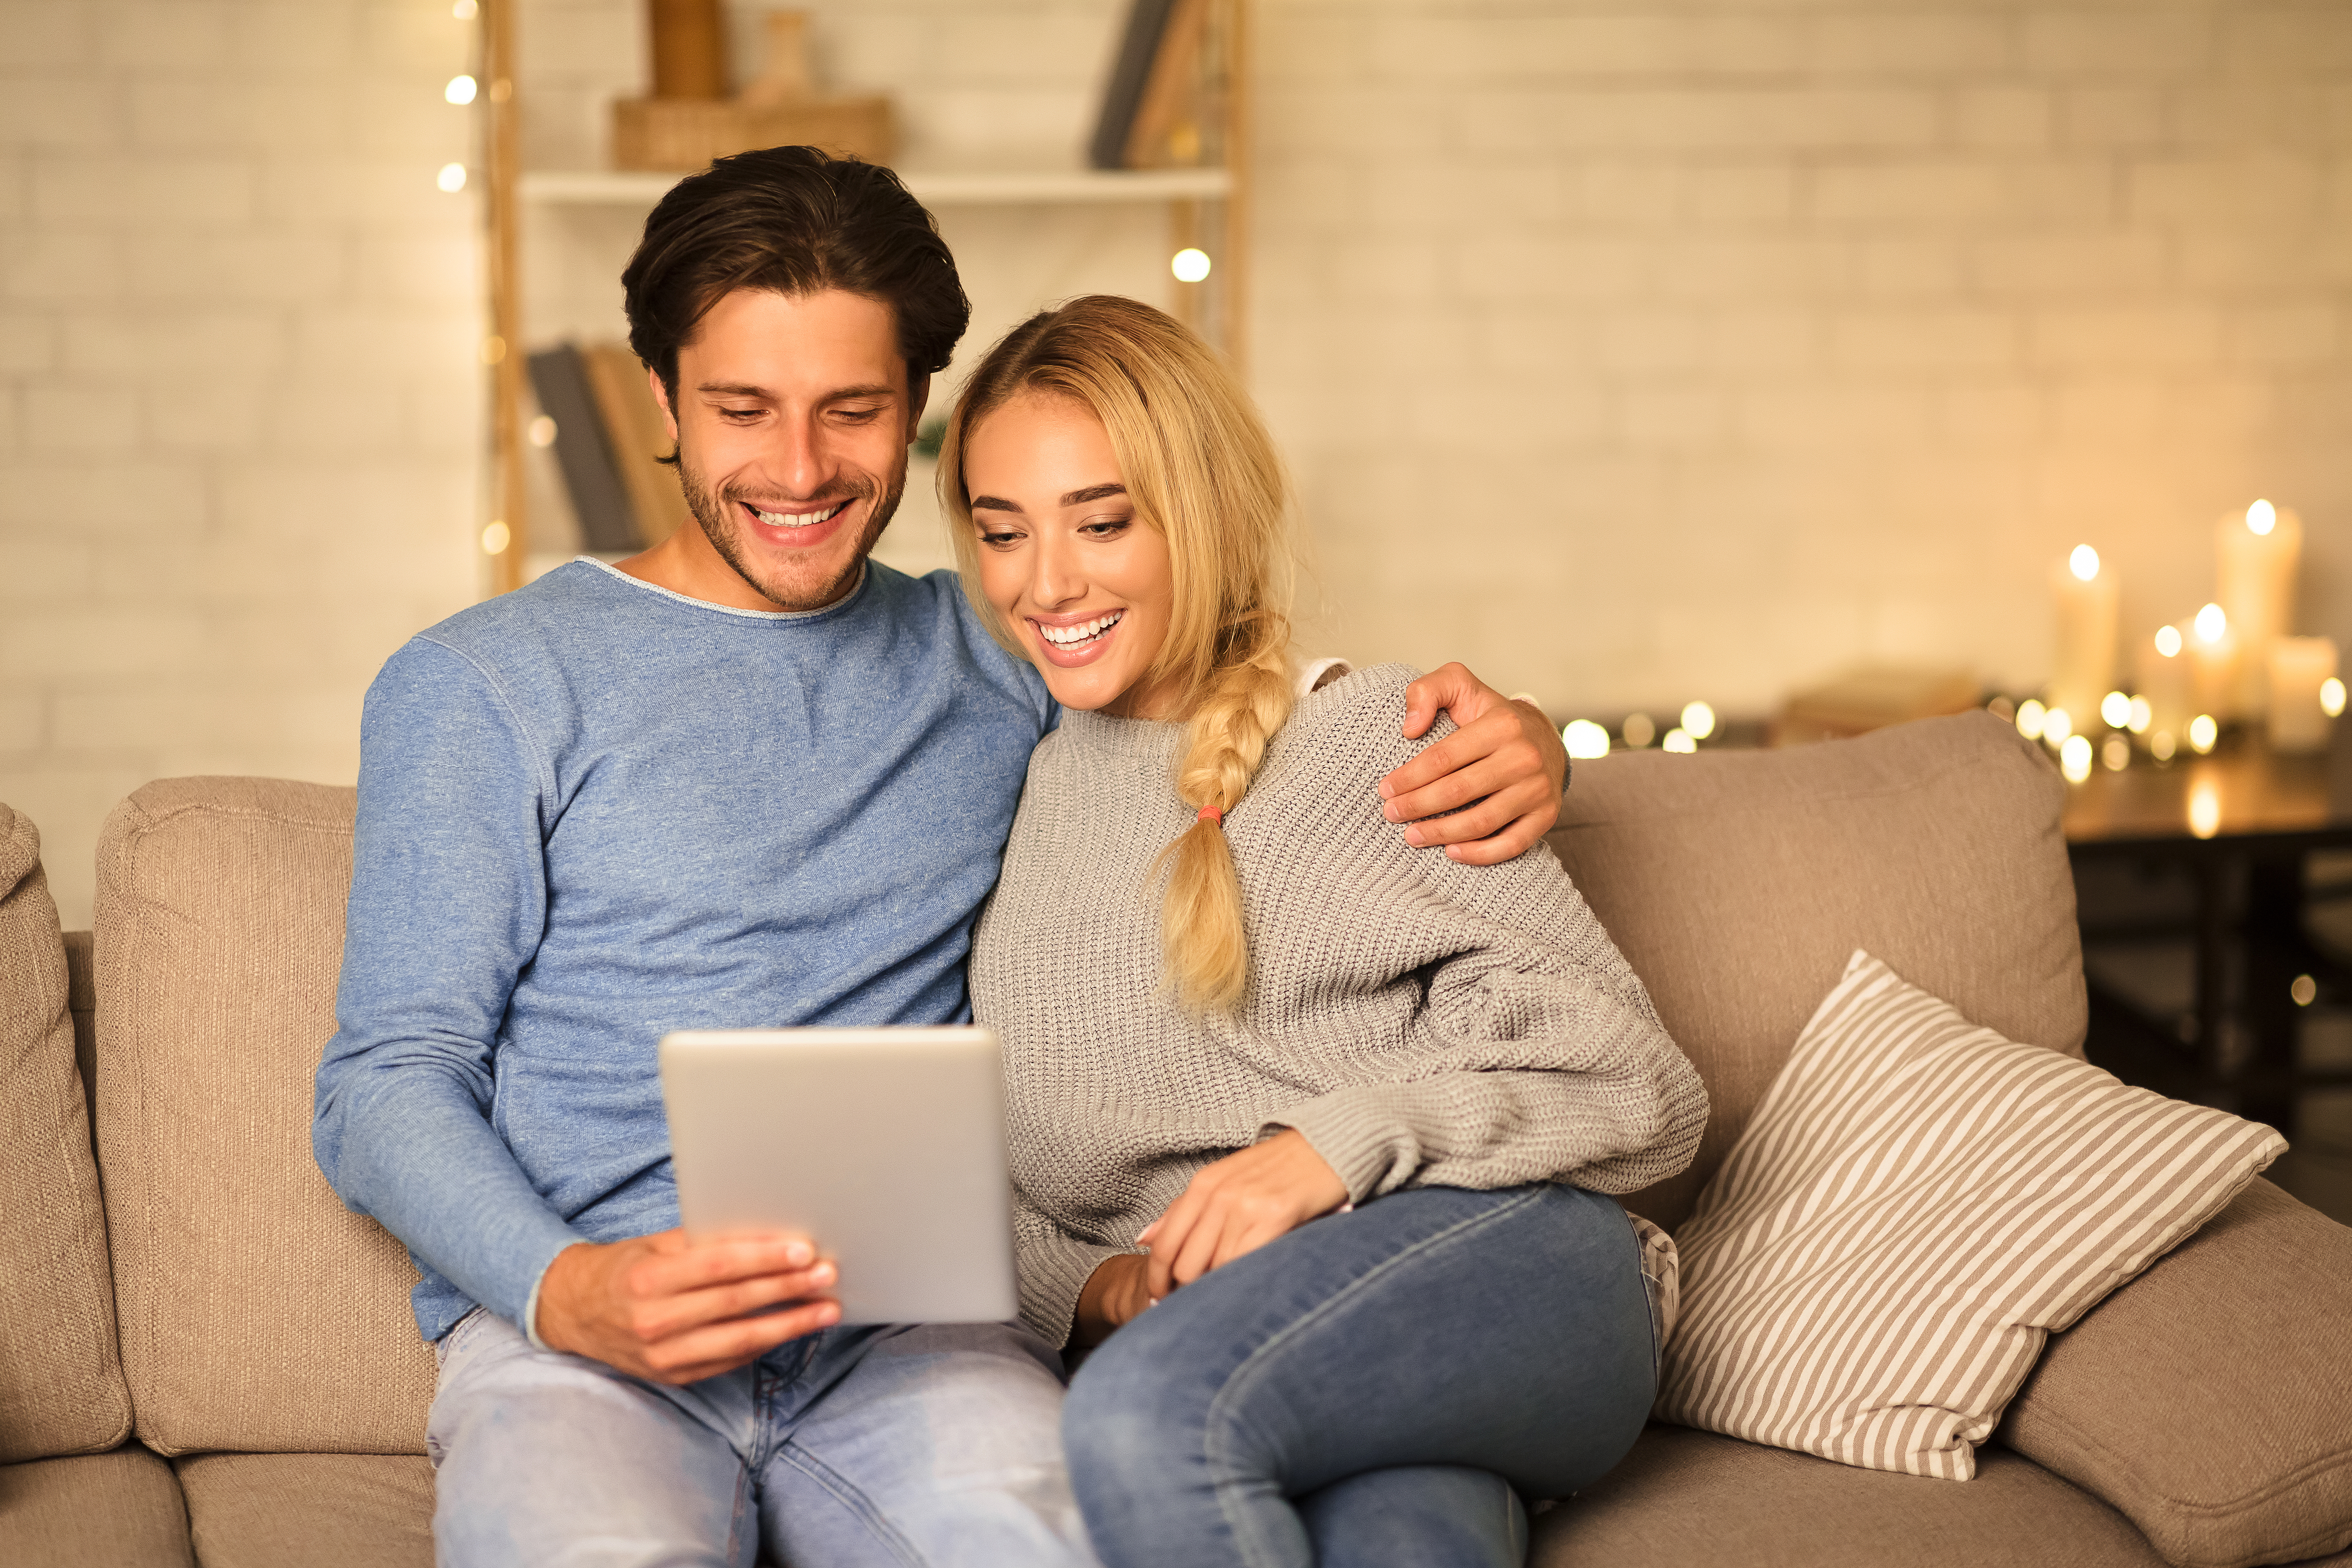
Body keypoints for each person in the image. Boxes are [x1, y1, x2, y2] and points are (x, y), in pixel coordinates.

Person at [311, 147, 1571, 1568]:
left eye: (853, 411)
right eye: (743, 410)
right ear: (660, 398)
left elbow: (1238, 695)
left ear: (919, 411)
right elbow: (385, 1081)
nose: (798, 471)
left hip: (919, 1337)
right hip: (588, 1342)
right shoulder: (481, 686)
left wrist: (1527, 736)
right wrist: (566, 1290)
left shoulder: (1010, 643)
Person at [951, 294, 1708, 1568]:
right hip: (1280, 1345)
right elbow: (986, 1178)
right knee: (1405, 1542)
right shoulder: (1009, 773)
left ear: (1201, 511)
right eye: (1003, 531)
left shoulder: (1371, 741)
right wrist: (1097, 1289)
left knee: (1147, 1420)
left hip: (1522, 1270)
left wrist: (1330, 1149)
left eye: (1103, 519)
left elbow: (1644, 1087)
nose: (1048, 582)